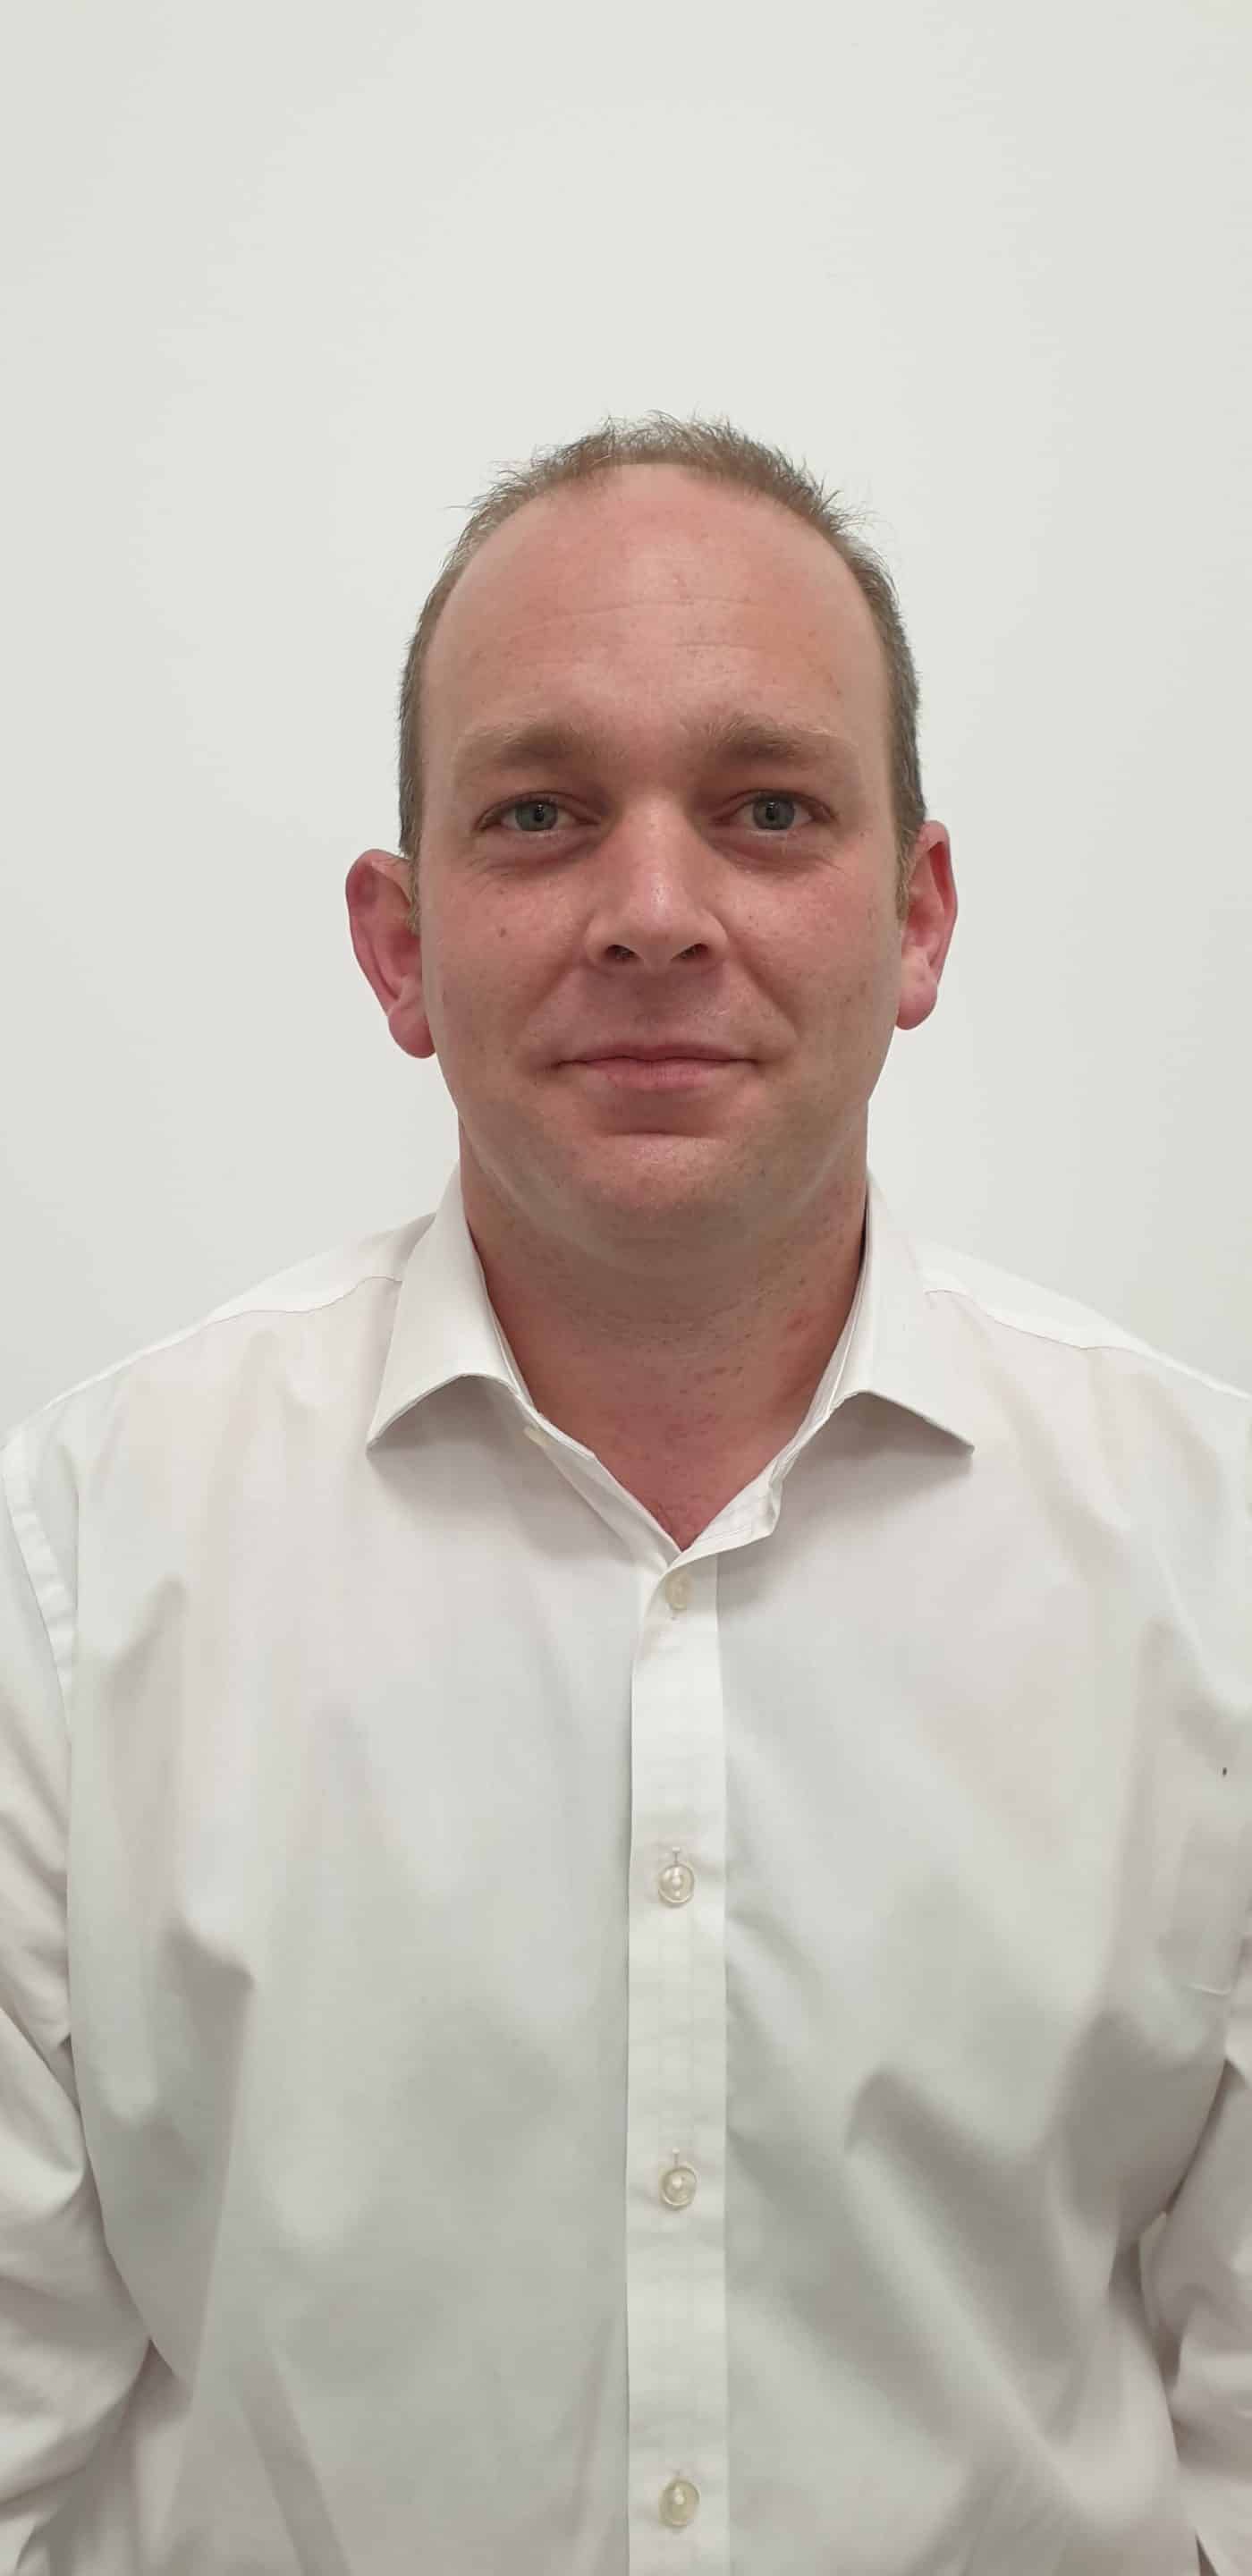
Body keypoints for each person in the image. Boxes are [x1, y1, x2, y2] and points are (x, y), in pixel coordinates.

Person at [0, 413, 1246, 2575]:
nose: (653, 914)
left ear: (917, 916)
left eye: (765, 809)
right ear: (398, 947)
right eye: (541, 813)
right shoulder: (76, 1570)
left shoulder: (1209, 1562)